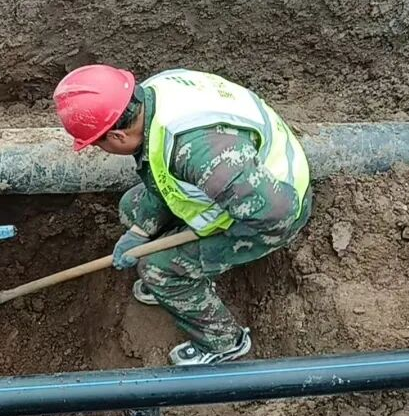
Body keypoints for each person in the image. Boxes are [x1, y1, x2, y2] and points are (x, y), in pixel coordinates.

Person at [53, 65, 312, 365]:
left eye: (99, 144)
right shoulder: (153, 97)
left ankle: (223, 342)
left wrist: (208, 229)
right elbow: (162, 177)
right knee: (131, 208)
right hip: (239, 185)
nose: (100, 150)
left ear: (118, 136)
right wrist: (139, 232)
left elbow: (277, 212)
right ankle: (180, 273)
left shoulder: (205, 159)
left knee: (156, 269)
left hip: (274, 210)